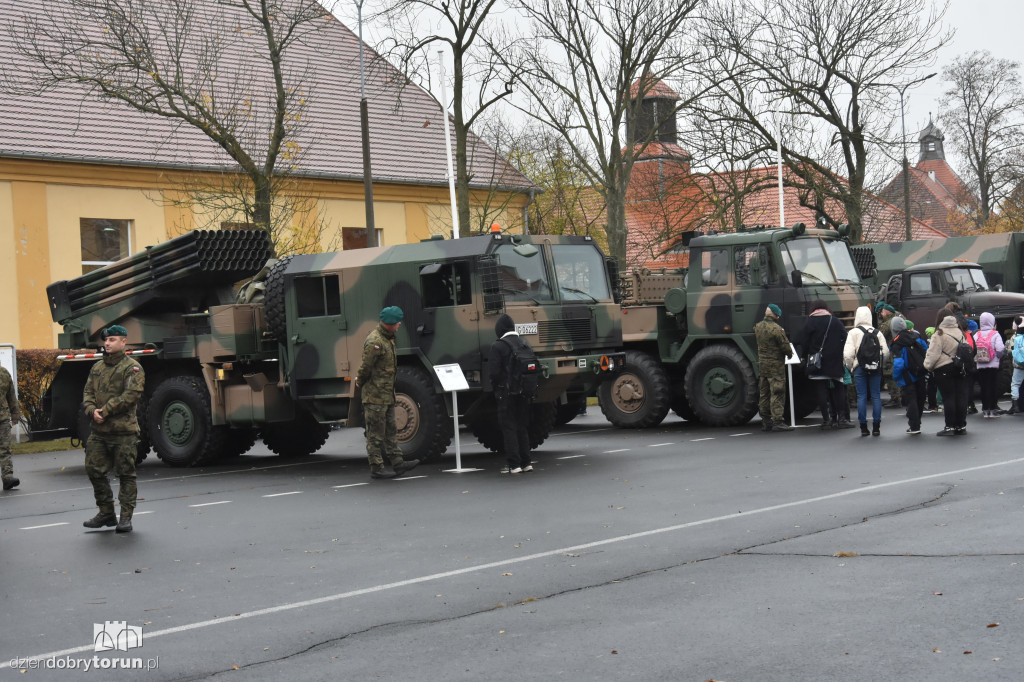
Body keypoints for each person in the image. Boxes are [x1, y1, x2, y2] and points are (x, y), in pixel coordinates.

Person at [82, 325, 145, 532]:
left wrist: (106, 410)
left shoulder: (132, 367)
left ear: (123, 342)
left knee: (125, 474)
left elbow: (131, 396)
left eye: (112, 340)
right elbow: (88, 393)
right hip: (99, 432)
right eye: (106, 340)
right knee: (94, 470)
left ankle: (125, 517)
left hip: (123, 432)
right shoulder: (97, 368)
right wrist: (92, 411)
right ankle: (107, 512)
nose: (107, 343)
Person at [356, 306, 419, 479]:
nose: (399, 325)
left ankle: (398, 463)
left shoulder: (388, 338)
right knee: (375, 434)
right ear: (389, 323)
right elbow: (365, 367)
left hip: (387, 395)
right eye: (397, 322)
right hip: (375, 396)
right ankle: (376, 467)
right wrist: (360, 382)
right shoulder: (375, 341)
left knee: (391, 431)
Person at [489, 313, 535, 473]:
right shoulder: (524, 343)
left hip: (506, 393)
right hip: (524, 392)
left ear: (499, 329)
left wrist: (497, 387)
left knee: (509, 428)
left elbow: (494, 373)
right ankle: (527, 462)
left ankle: (514, 464)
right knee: (522, 427)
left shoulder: (498, 346)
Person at [794, 300, 850, 430]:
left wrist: (809, 354)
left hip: (817, 361)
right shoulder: (835, 321)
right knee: (838, 388)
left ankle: (827, 420)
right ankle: (842, 419)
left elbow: (803, 341)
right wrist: (839, 350)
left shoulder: (810, 322)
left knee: (820, 390)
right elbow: (845, 336)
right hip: (835, 360)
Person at [843, 306, 889, 437]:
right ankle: (876, 427)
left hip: (859, 368)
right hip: (875, 367)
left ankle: (863, 427)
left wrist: (851, 366)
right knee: (875, 396)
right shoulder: (877, 332)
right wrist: (880, 364)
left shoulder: (853, 333)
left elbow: (848, 354)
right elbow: (885, 352)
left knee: (861, 396)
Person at [924, 314, 969, 436]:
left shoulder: (939, 334)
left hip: (943, 368)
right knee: (960, 397)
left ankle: (949, 426)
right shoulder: (960, 333)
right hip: (959, 367)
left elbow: (933, 354)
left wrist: (927, 366)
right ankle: (960, 426)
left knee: (948, 398)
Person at [754, 304, 794, 432]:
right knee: (777, 392)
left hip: (763, 366)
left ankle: (766, 421)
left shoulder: (758, 327)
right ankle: (778, 421)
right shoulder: (777, 329)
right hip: (776, 367)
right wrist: (790, 354)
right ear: (776, 315)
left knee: (764, 393)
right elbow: (785, 347)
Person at [891, 316, 928, 435]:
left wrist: (895, 377)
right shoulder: (916, 336)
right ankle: (918, 421)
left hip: (907, 375)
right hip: (920, 371)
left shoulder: (897, 342)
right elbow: (926, 350)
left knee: (911, 400)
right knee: (920, 399)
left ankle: (914, 426)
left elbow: (898, 363)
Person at [973, 312, 1005, 418]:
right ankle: (993, 410)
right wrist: (997, 357)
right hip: (993, 366)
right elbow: (1000, 349)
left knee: (983, 387)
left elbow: (972, 349)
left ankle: (985, 410)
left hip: (980, 365)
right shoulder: (995, 334)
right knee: (992, 387)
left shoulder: (977, 334)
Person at [877, 304, 902, 408]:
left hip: (890, 351)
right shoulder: (900, 317)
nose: (881, 314)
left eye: (882, 312)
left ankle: (895, 398)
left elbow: (879, 335)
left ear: (887, 312)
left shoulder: (887, 324)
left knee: (889, 374)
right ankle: (900, 396)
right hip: (899, 350)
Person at [1, 364, 20, 490]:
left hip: (2, 419)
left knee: (5, 448)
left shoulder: (3, 373)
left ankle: (7, 477)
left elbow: (11, 395)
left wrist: (15, 414)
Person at [1008, 317, 1024, 415]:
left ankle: (1016, 405)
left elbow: (1010, 351)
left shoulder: (1015, 338)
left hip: (1019, 365)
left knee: (1015, 384)